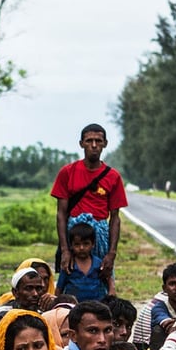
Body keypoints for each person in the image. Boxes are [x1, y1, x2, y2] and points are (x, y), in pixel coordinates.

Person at [51, 123, 128, 295]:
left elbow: (115, 218)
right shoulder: (67, 172)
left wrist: (111, 253)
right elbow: (61, 214)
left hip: (99, 238)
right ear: (81, 144)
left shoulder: (113, 176)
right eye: (89, 141)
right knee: (71, 274)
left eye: (98, 141)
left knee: (101, 276)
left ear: (105, 144)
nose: (94, 145)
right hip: (74, 237)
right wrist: (65, 249)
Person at [56, 223, 108, 302]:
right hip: (73, 307)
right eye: (77, 244)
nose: (81, 248)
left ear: (93, 244)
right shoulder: (69, 265)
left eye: (86, 244)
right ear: (71, 245)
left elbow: (108, 278)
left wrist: (111, 291)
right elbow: (59, 287)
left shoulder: (98, 263)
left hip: (95, 306)